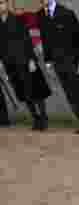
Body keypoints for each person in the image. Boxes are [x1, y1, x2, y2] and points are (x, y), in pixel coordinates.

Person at [36, 0, 79, 134]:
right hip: (57, 62)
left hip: (73, 59)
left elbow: (78, 37)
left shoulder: (66, 13)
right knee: (70, 93)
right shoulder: (40, 15)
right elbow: (44, 39)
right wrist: (47, 61)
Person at [1, 0, 51, 130]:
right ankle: (36, 118)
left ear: (7, 4)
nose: (0, 6)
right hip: (10, 64)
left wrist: (31, 60)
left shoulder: (17, 19)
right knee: (23, 93)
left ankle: (44, 117)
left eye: (1, 3)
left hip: (25, 61)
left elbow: (27, 39)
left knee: (36, 90)